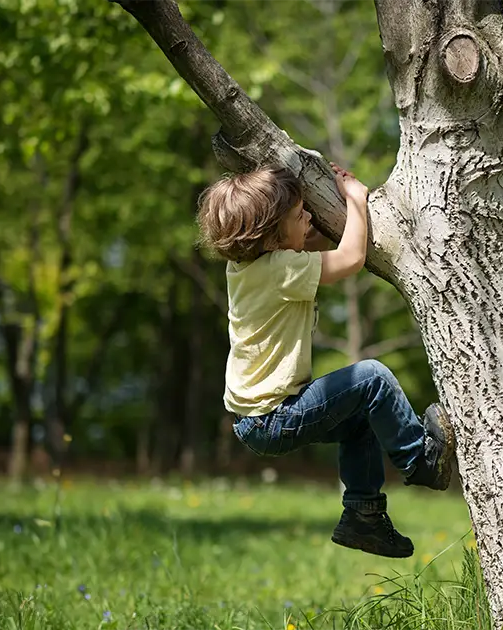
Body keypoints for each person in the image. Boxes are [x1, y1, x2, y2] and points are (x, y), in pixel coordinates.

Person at [195, 162, 455, 559]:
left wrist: (307, 229)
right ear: (272, 239)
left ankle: (362, 516)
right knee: (372, 379)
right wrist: (356, 201)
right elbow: (350, 259)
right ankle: (421, 461)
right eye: (301, 216)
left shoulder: (246, 267)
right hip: (274, 416)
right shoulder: (282, 269)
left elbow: (305, 248)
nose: (311, 219)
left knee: (361, 417)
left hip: (256, 421)